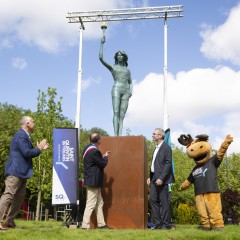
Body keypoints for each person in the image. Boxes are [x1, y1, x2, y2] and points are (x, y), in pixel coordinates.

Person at [0, 116, 49, 230]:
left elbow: (28, 152)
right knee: (8, 195)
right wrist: (40, 147)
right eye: (33, 121)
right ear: (27, 123)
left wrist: (39, 149)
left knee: (20, 197)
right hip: (15, 171)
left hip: (21, 172)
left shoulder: (24, 136)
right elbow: (27, 153)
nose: (34, 124)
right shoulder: (21, 135)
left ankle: (9, 222)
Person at [99, 36, 133, 136]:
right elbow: (101, 58)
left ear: (124, 57)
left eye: (121, 55)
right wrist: (102, 44)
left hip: (126, 91)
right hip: (117, 89)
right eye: (118, 55)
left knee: (122, 114)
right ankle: (116, 135)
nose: (119, 56)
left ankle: (120, 134)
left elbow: (130, 82)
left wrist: (131, 90)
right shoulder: (113, 67)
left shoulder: (127, 70)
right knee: (116, 112)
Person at [81, 132, 111, 230]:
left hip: (92, 180)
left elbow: (94, 162)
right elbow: (102, 164)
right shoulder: (94, 151)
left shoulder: (87, 149)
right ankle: (85, 225)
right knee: (91, 203)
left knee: (99, 203)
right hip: (93, 181)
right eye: (100, 138)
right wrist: (106, 157)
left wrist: (102, 157)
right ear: (98, 140)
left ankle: (101, 224)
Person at [147, 128, 175, 230]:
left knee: (164, 202)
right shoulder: (156, 148)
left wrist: (161, 178)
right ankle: (158, 223)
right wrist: (150, 177)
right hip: (154, 178)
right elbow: (155, 164)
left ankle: (166, 224)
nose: (152, 135)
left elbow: (168, 164)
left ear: (160, 136)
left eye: (154, 134)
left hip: (162, 180)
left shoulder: (166, 148)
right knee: (153, 199)